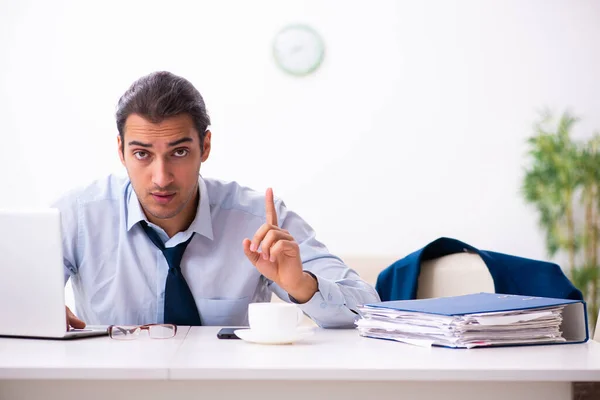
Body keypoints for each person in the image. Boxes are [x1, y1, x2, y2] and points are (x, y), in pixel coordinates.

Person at [56, 71, 380, 330]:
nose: (161, 177)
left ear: (205, 146)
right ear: (120, 151)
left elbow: (367, 308)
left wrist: (303, 285)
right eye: (142, 154)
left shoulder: (259, 219)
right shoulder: (78, 216)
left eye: (179, 152)